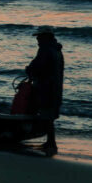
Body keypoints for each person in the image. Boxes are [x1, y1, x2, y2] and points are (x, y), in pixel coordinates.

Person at [26, 27, 64, 155]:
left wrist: (29, 70)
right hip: (55, 87)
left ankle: (51, 144)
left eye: (39, 36)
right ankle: (50, 143)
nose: (37, 39)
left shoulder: (45, 49)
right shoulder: (57, 50)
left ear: (45, 37)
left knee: (45, 114)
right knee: (49, 116)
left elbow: (37, 66)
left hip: (46, 87)